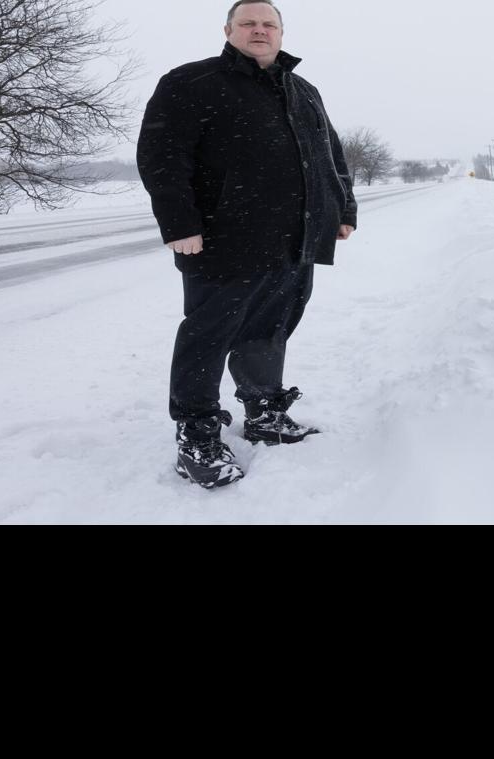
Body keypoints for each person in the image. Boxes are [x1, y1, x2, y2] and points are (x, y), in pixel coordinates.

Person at [136, 0, 357, 489]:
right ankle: (195, 434)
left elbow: (330, 155)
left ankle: (263, 413)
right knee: (208, 335)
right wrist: (179, 223)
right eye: (249, 23)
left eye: (269, 24)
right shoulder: (191, 83)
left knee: (270, 329)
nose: (260, 30)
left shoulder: (302, 89)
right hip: (222, 240)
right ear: (228, 30)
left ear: (281, 32)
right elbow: (161, 156)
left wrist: (341, 210)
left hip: (293, 238)